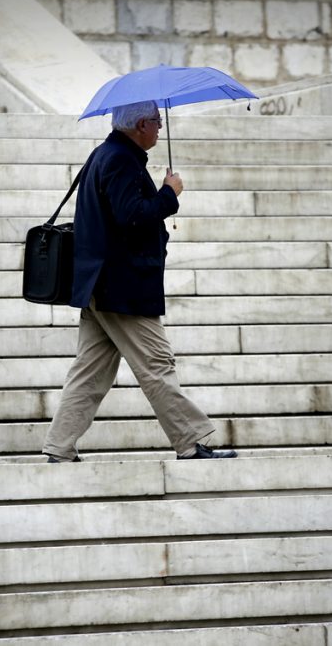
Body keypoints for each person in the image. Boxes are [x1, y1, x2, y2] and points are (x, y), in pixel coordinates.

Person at [42, 100, 238, 463]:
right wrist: (169, 193)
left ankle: (59, 446)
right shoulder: (119, 159)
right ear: (141, 125)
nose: (161, 129)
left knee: (90, 372)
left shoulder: (106, 153)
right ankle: (190, 442)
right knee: (157, 363)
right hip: (122, 288)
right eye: (158, 123)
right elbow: (131, 216)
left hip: (102, 286)